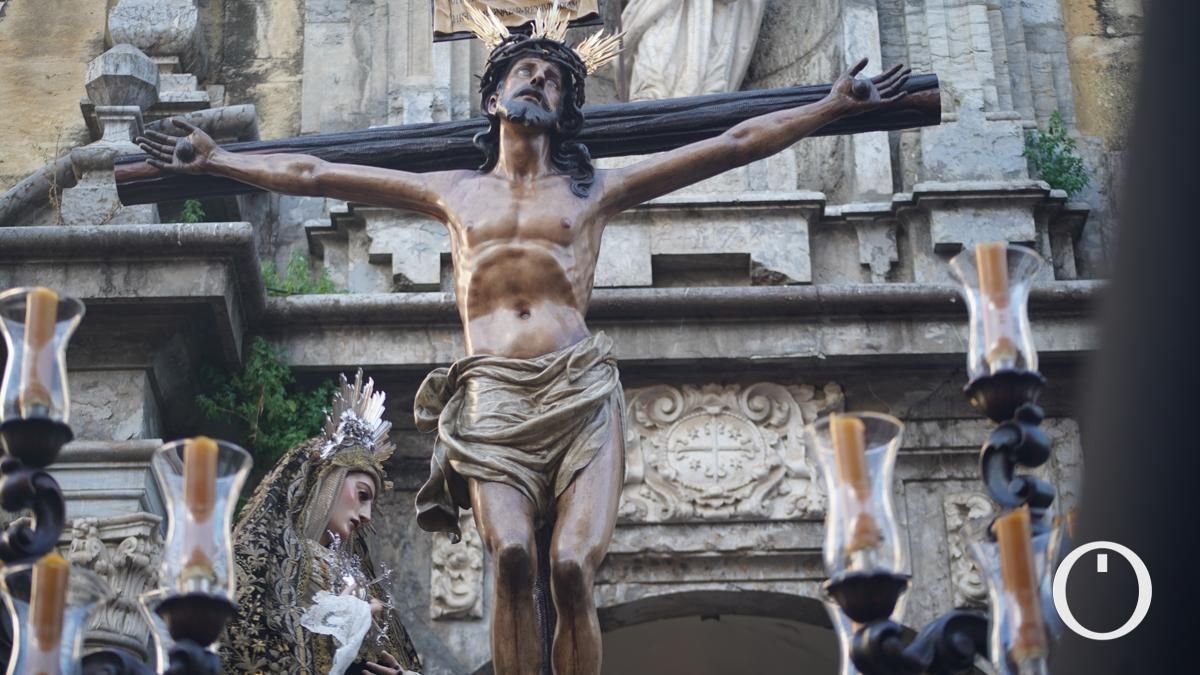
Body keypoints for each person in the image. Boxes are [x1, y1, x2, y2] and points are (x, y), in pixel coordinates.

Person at [136, 4, 911, 673]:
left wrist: (828, 108)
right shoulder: (454, 192)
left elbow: (733, 144)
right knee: (510, 557)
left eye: (553, 79)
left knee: (571, 566)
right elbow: (316, 173)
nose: (538, 81)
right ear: (494, 96)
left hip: (579, 390)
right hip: (494, 399)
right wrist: (221, 159)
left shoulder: (593, 191)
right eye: (526, 72)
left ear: (565, 109)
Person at [221, 371, 421, 675]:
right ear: (330, 482)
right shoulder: (273, 562)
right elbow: (249, 643)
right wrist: (343, 623)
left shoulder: (355, 576)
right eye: (362, 495)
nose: (366, 515)